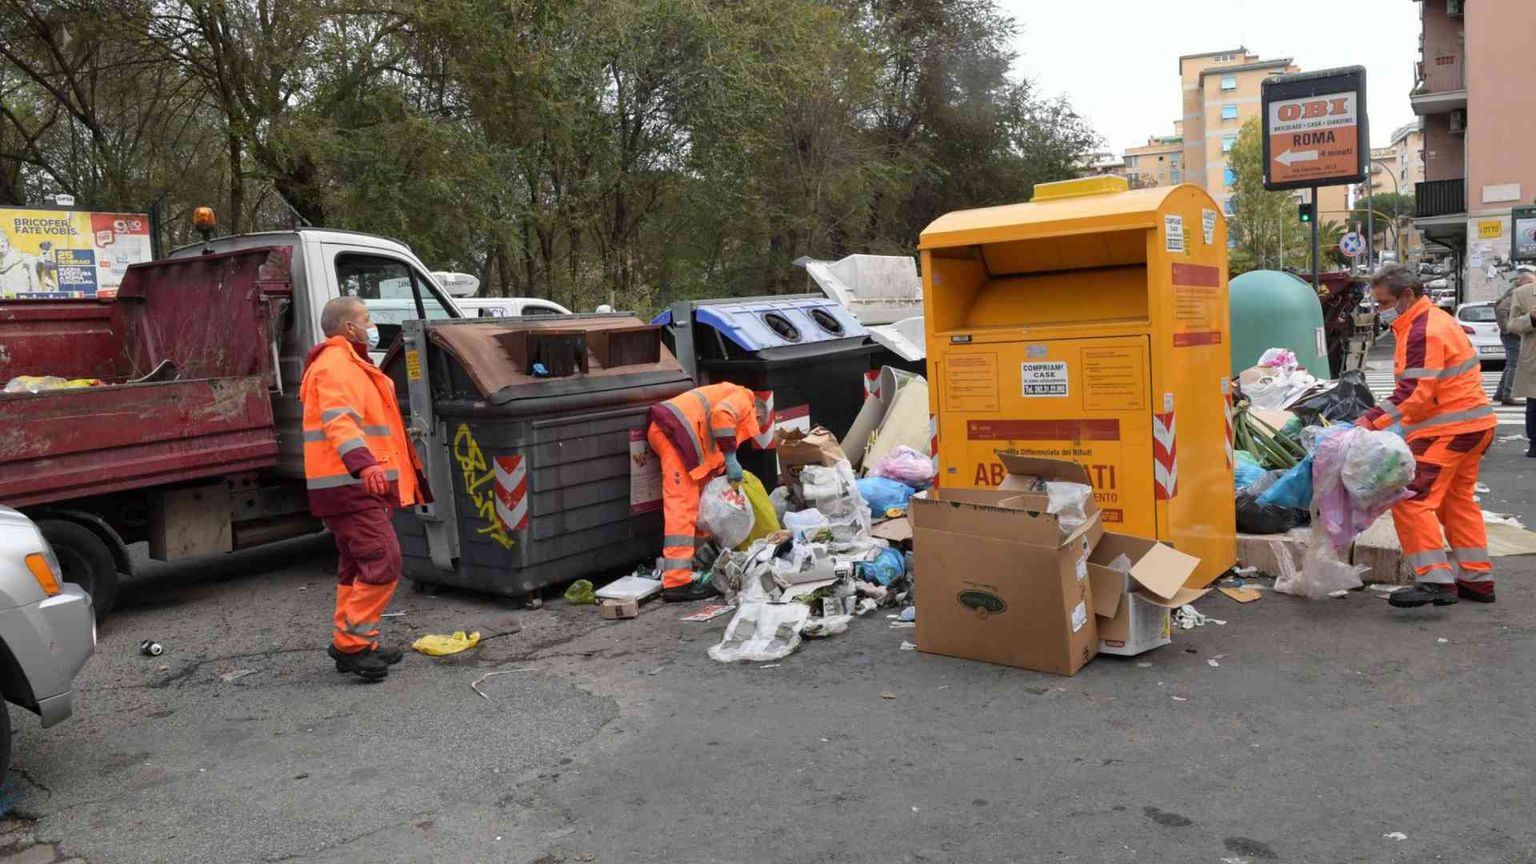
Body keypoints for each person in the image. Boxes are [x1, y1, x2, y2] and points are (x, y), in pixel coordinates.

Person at [300, 297, 429, 680]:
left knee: (356, 565)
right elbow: (341, 421)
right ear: (348, 328)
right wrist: (365, 463)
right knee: (384, 560)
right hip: (350, 485)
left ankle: (357, 640)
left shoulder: (348, 363)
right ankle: (352, 646)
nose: (371, 326)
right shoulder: (337, 366)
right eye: (367, 320)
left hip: (350, 486)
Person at [1356, 264, 1497, 608]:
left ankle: (1435, 580)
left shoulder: (1423, 329)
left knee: (1410, 498)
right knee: (1456, 503)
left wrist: (1368, 422)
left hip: (1447, 429)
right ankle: (1477, 580)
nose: (1380, 310)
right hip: (1472, 425)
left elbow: (1414, 392)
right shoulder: (1433, 321)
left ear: (1407, 295)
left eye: (1384, 302)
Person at [646, 382, 769, 602]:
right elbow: (722, 416)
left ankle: (697, 560)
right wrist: (731, 458)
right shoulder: (743, 397)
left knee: (699, 503)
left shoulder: (731, 395)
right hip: (674, 434)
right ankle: (677, 582)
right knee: (682, 506)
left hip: (677, 434)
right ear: (757, 414)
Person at [1491, 270, 1533, 405]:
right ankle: (1507, 395)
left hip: (1511, 333)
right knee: (1514, 364)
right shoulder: (1516, 293)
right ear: (1523, 282)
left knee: (1511, 363)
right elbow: (1501, 309)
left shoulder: (1515, 292)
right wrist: (1508, 329)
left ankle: (1500, 392)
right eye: (1531, 282)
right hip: (1512, 334)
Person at [1506, 268, 1536, 456]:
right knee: (1534, 403)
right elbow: (1512, 325)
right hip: (1534, 357)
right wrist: (1531, 318)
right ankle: (1535, 443)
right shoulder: (1523, 293)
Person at [0, 231, 40, 297]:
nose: (1, 244)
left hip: (24, 303)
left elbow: (37, 294)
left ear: (7, 243)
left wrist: (32, 266)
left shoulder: (24, 259)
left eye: (2, 241)